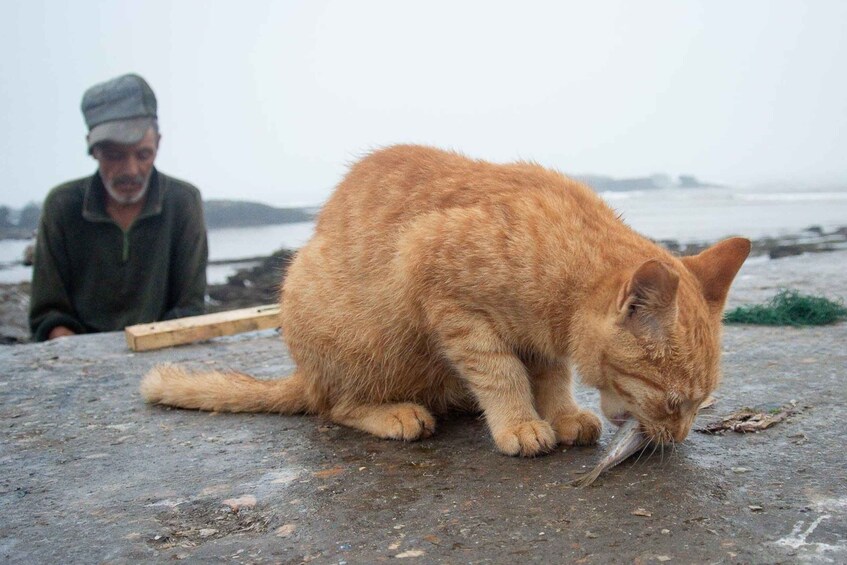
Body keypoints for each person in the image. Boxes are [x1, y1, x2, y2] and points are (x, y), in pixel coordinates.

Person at [29, 73, 208, 341]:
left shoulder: (184, 202)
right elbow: (48, 314)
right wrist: (75, 354)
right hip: (77, 360)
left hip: (162, 353)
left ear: (158, 143)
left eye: (143, 154)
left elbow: (189, 308)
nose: (131, 170)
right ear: (93, 149)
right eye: (114, 155)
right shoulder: (61, 206)